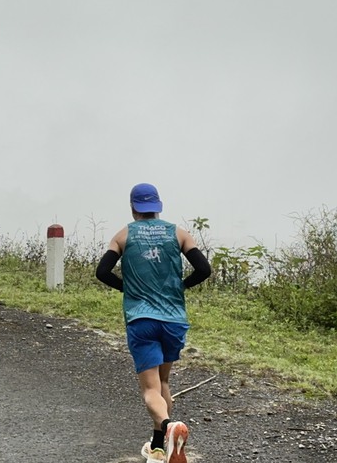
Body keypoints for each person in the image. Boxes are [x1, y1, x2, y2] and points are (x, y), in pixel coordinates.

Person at [96, 183, 212, 463]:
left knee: (150, 389)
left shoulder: (123, 235)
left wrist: (128, 288)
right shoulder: (179, 233)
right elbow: (204, 269)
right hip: (173, 319)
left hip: (142, 319)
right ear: (158, 206)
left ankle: (169, 426)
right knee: (162, 382)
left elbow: (102, 272)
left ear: (133, 207)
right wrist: (180, 287)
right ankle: (159, 447)